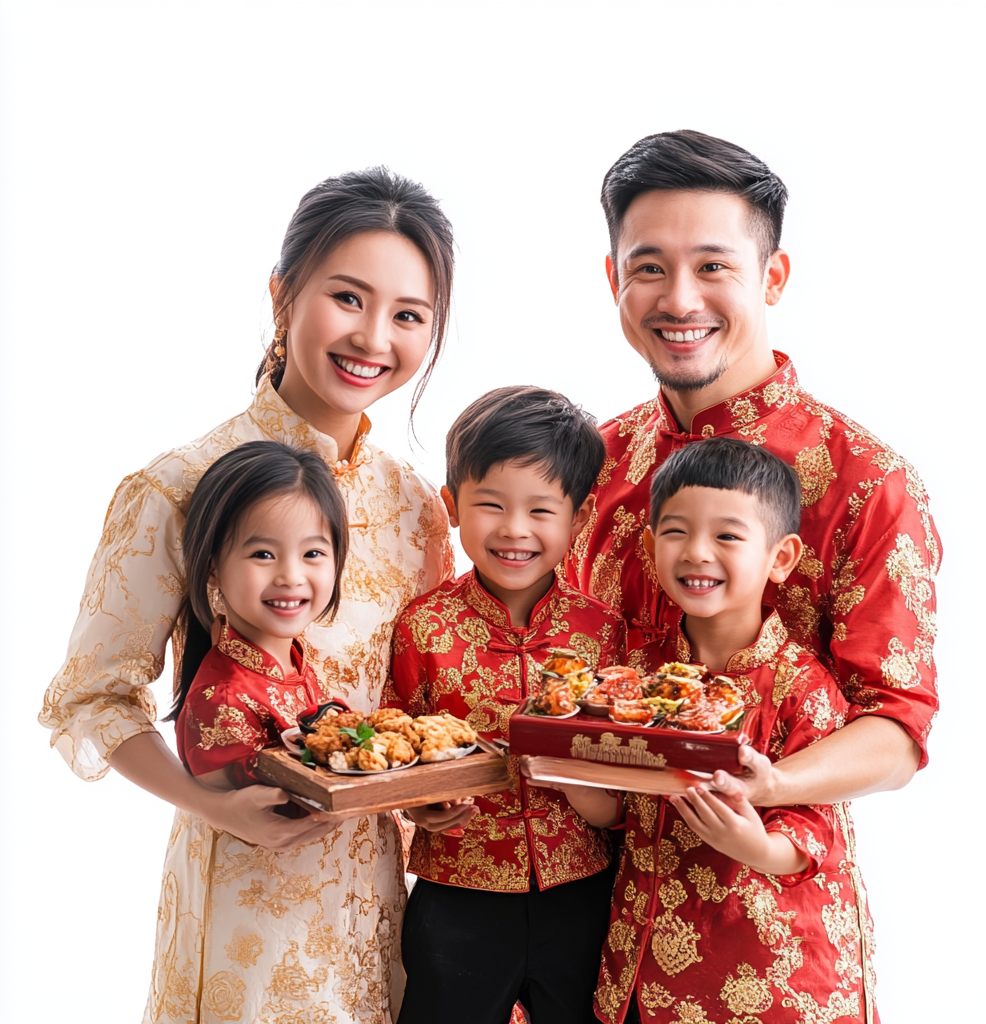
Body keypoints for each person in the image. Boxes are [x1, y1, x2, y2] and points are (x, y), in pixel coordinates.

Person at [39, 168, 455, 1023]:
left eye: (408, 316)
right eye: (348, 297)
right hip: (245, 901)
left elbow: (417, 701)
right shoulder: (181, 486)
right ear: (281, 297)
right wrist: (215, 807)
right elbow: (91, 696)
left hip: (382, 897)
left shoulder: (416, 507)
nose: (374, 336)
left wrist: (431, 795)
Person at [568, 129, 939, 810]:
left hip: (769, 896)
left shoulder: (865, 479)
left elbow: (896, 726)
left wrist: (774, 784)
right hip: (583, 895)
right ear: (614, 278)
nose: (680, 301)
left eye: (714, 267)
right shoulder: (591, 462)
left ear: (771, 278)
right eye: (649, 268)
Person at [573, 438, 875, 1023]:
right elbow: (616, 809)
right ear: (650, 543)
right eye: (677, 532)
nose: (697, 553)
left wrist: (753, 845)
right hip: (647, 958)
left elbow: (819, 826)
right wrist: (562, 769)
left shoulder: (799, 684)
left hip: (769, 966)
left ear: (781, 558)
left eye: (728, 536)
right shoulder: (636, 673)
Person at [383, 386, 625, 1024]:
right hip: (456, 893)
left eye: (542, 510)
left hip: (582, 890)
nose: (514, 530)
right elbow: (394, 746)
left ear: (579, 515)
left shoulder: (604, 631)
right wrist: (421, 802)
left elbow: (630, 759)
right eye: (489, 505)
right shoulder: (423, 627)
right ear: (452, 507)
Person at [161, 440, 353, 1020]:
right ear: (214, 565)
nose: (291, 577)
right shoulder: (222, 695)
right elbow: (267, 806)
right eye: (263, 554)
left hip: (333, 902)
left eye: (314, 553)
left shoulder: (293, 659)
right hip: (263, 910)